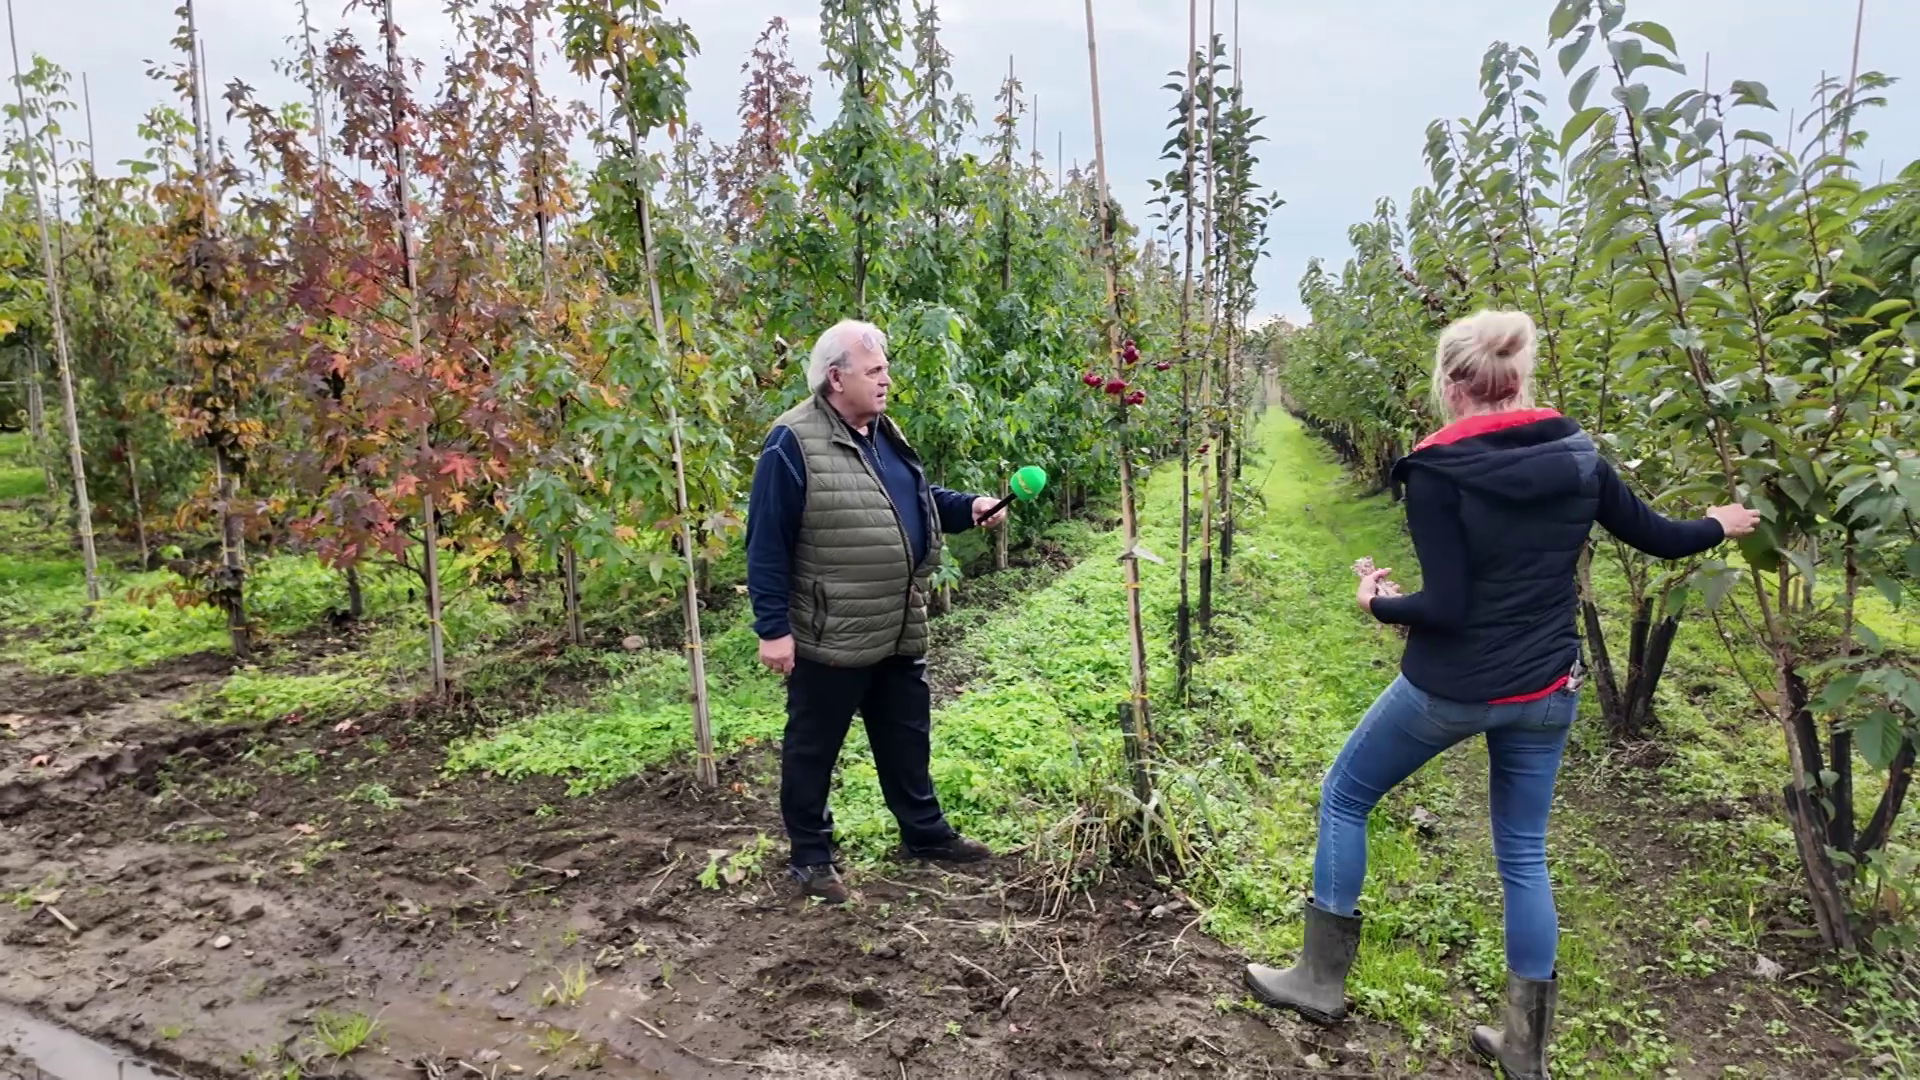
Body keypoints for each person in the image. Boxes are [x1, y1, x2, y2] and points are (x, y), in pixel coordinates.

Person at [1243, 310, 1760, 1079]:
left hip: (1450, 688)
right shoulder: (1579, 456)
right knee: (1523, 852)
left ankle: (1319, 981)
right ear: (1519, 381)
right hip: (1549, 686)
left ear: (1452, 387)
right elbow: (1658, 535)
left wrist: (1377, 603)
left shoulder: (1438, 471)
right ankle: (1524, 1047)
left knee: (1347, 795)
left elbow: (1447, 605)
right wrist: (1718, 524)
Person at [745, 318, 1010, 905]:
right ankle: (811, 857)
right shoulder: (792, 442)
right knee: (815, 746)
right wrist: (773, 629)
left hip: (896, 622)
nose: (887, 379)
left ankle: (924, 834)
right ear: (837, 378)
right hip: (832, 631)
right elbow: (766, 541)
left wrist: (971, 508)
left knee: (906, 737)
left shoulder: (883, 433)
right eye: (875, 370)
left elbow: (914, 500)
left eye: (885, 368)